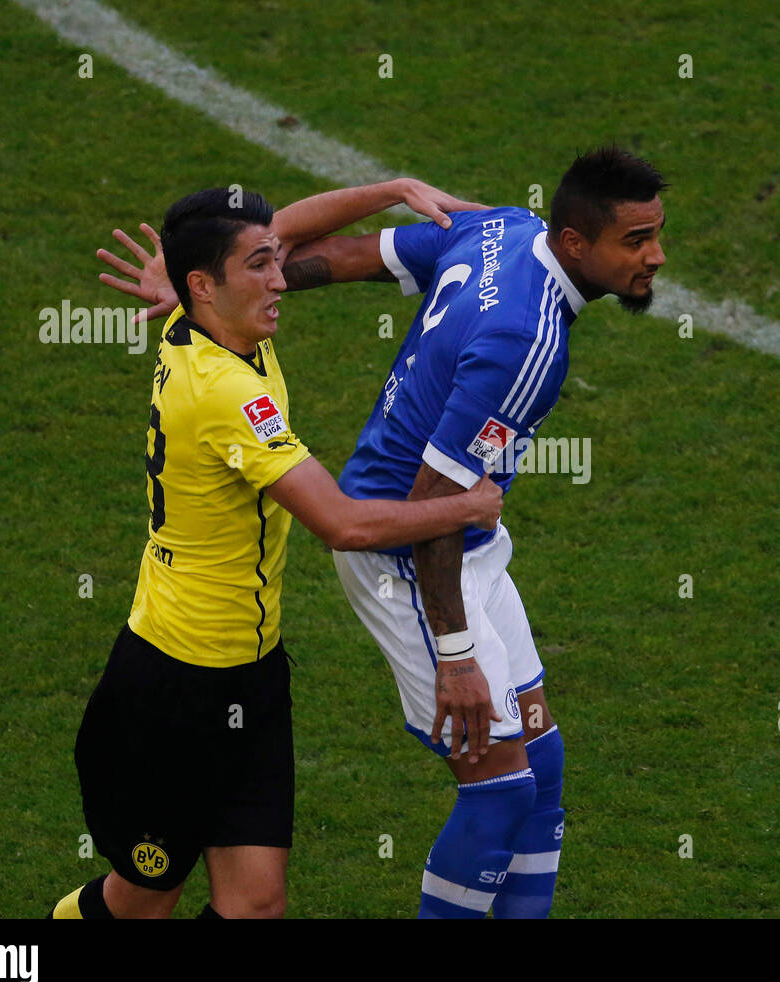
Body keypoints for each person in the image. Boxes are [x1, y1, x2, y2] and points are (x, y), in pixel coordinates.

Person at [101, 147, 668, 918]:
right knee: (500, 789)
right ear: (575, 241)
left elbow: (326, 254)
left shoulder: (500, 229)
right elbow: (384, 514)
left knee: (540, 766)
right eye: (636, 241)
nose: (655, 257)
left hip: (416, 569)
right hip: (396, 558)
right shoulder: (523, 343)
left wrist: (388, 192)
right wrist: (457, 656)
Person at [52, 179, 501, 919]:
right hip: (175, 686)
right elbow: (342, 524)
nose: (281, 277)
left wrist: (394, 189)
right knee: (142, 903)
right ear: (204, 285)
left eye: (274, 259)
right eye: (259, 266)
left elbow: (281, 228)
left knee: (256, 906)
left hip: (251, 674)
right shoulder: (228, 394)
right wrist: (467, 506)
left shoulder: (199, 319)